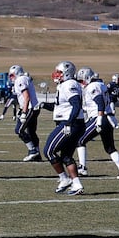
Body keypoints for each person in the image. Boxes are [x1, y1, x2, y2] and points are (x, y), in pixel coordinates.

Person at [75, 66, 119, 179]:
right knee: (110, 148)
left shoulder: (93, 86)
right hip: (108, 119)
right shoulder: (101, 85)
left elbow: (100, 102)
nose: (81, 83)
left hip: (99, 118)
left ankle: (82, 168)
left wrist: (98, 120)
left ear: (88, 78)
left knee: (79, 140)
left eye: (81, 80)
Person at [43, 61, 86, 195]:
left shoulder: (69, 84)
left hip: (70, 124)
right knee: (66, 156)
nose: (57, 75)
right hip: (74, 123)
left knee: (48, 151)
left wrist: (68, 123)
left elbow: (76, 105)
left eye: (60, 72)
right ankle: (77, 185)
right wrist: (43, 105)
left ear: (67, 73)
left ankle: (64, 179)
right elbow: (62, 107)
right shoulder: (64, 85)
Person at [10, 64, 42, 161]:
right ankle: (37, 155)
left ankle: (33, 151)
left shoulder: (20, 79)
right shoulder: (23, 79)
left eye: (12, 75)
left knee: (19, 130)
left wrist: (24, 112)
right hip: (33, 108)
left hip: (29, 108)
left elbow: (26, 96)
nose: (11, 77)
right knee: (31, 132)